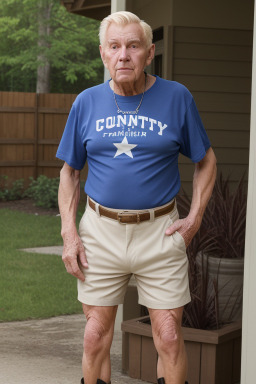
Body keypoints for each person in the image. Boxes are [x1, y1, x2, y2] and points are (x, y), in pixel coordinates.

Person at [56, 11, 217, 384]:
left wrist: (193, 219)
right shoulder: (86, 102)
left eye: (133, 46)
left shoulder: (177, 97)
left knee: (170, 336)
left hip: (160, 231)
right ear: (103, 54)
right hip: (100, 231)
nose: (123, 55)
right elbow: (69, 172)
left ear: (149, 52)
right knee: (95, 335)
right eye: (114, 47)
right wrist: (69, 233)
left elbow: (206, 161)